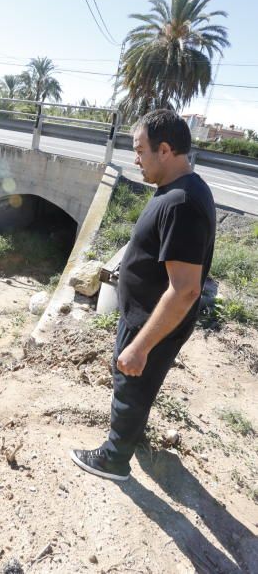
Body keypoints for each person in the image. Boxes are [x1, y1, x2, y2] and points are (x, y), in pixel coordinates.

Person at [70, 109, 216, 481]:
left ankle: (114, 459)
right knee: (136, 385)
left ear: (164, 150)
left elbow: (185, 290)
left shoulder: (182, 203)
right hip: (145, 315)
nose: (135, 160)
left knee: (130, 386)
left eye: (139, 151)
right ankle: (131, 435)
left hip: (150, 321)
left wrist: (140, 346)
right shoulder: (178, 192)